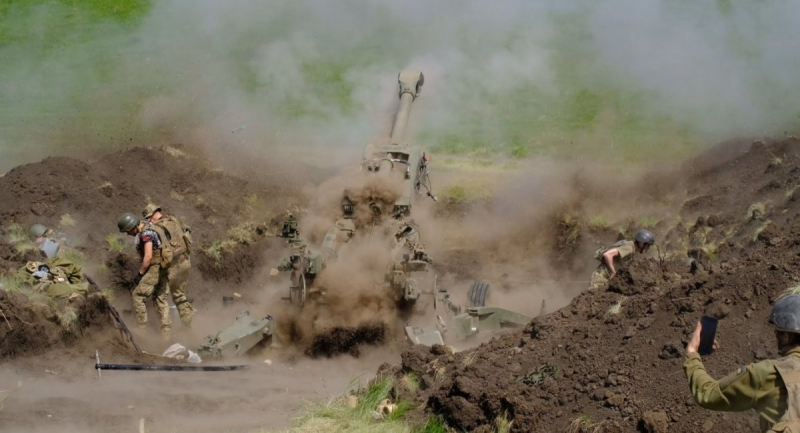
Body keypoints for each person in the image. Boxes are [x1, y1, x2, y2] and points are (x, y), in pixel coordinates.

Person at [684, 294, 800, 432]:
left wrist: (692, 354)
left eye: (777, 332)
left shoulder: (768, 373)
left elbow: (707, 394)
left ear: (786, 336)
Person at [117, 212, 172, 337]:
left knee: (138, 295)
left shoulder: (146, 234)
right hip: (163, 268)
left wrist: (139, 275)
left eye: (127, 231)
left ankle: (141, 331)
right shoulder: (150, 228)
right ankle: (166, 333)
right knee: (160, 298)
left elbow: (148, 257)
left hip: (154, 268)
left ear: (133, 227)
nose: (127, 234)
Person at [142, 204, 194, 326]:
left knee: (160, 297)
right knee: (180, 296)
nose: (149, 221)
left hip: (172, 267)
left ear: (154, 214)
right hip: (185, 262)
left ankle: (166, 332)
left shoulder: (156, 229)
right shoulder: (174, 220)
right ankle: (187, 327)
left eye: (149, 218)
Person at [588, 229, 655, 290]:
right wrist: (613, 272)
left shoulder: (631, 247)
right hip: (601, 277)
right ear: (642, 243)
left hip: (605, 276)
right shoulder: (629, 248)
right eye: (647, 245)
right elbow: (607, 255)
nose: (648, 248)